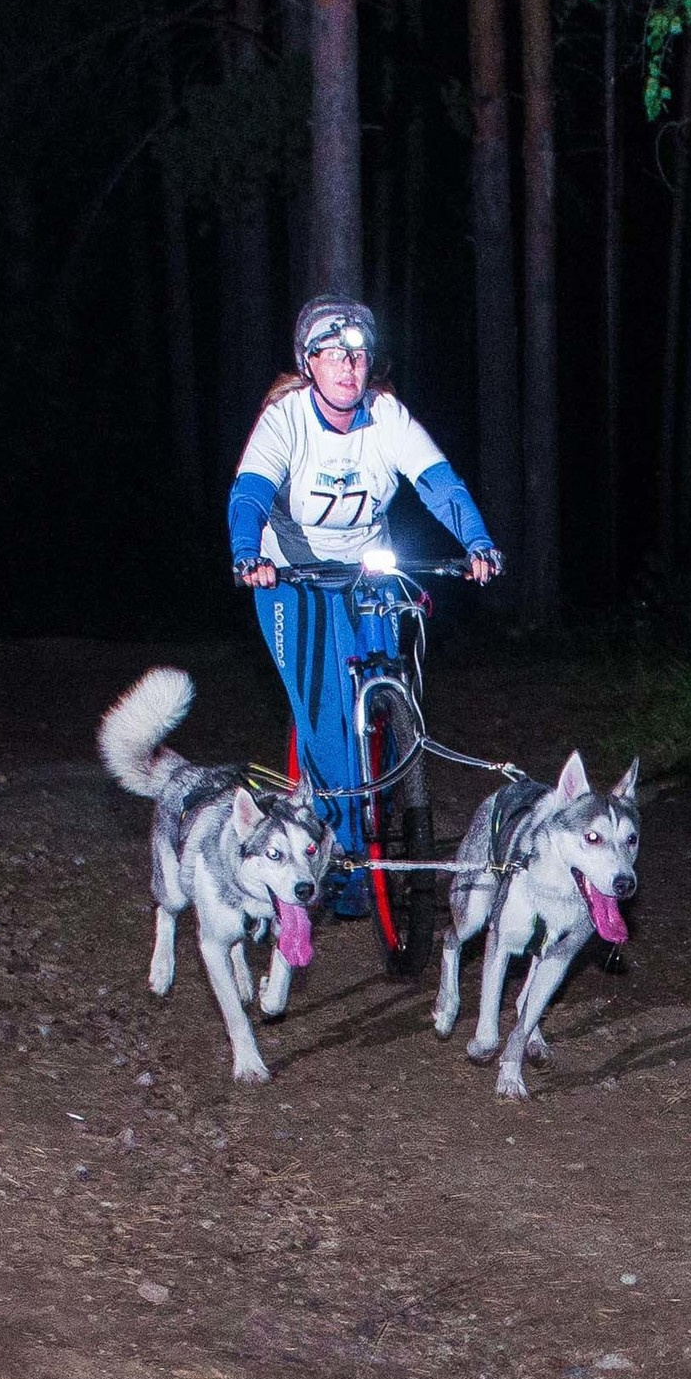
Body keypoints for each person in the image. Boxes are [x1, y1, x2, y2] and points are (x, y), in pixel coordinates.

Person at [227, 296, 501, 917]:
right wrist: (249, 553)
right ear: (309, 364)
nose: (349, 367)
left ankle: (386, 744)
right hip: (289, 575)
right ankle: (343, 859)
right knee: (325, 711)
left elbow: (439, 483)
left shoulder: (388, 417)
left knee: (384, 666)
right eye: (333, 355)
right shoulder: (285, 420)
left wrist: (477, 542)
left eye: (358, 355)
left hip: (362, 568)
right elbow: (249, 495)